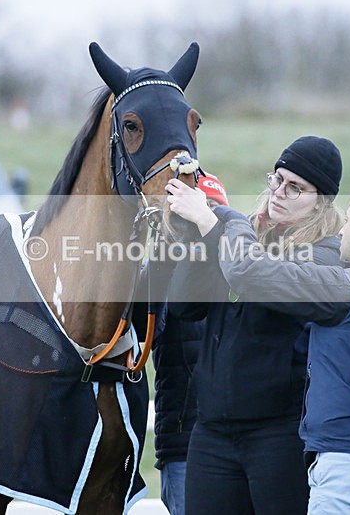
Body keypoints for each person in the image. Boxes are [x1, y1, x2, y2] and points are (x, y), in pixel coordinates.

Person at [173, 178, 350, 514]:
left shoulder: (343, 288)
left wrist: (228, 218)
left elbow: (247, 272)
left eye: (346, 222)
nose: (340, 231)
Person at [164, 136, 345, 514]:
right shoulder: (239, 234)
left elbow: (255, 276)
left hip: (281, 434)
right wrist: (195, 236)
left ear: (322, 201)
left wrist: (214, 221)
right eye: (276, 179)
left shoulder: (327, 251)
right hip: (211, 432)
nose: (279, 192)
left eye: (295, 187)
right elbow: (184, 306)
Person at [152, 173, 229, 515]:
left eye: (212, 211)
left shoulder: (242, 268)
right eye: (196, 211)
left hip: (233, 443)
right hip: (185, 443)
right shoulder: (163, 273)